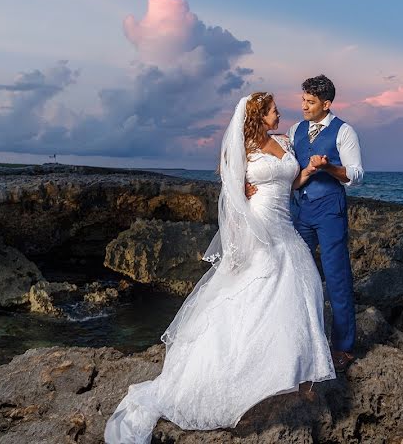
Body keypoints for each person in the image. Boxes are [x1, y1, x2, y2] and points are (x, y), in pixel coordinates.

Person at [104, 92, 336, 444]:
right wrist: (243, 217)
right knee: (264, 290)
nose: (280, 113)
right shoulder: (240, 149)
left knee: (304, 287)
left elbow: (291, 183)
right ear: (259, 116)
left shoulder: (283, 141)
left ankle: (299, 373)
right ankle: (254, 370)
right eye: (274, 111)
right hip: (259, 225)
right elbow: (231, 195)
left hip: (285, 225)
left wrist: (309, 169)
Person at [247, 75, 363, 373]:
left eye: (311, 102)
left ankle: (344, 347)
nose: (304, 106)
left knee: (336, 278)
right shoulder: (295, 131)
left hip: (330, 212)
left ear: (326, 104)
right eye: (303, 100)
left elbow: (356, 174)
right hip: (299, 212)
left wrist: (330, 167)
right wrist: (244, 183)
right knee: (295, 275)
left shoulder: (344, 132)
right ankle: (298, 341)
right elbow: (265, 156)